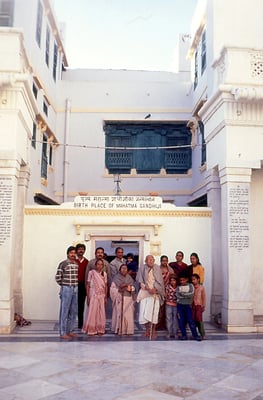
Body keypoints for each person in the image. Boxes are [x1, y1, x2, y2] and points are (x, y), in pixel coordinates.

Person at [136, 255, 165, 340]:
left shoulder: (157, 268)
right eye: (149, 260)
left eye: (152, 259)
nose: (151, 261)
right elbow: (140, 281)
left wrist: (155, 289)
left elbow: (160, 282)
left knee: (154, 312)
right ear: (145, 261)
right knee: (144, 312)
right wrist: (148, 289)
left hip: (155, 292)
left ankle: (154, 331)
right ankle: (147, 330)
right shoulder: (142, 268)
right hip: (145, 291)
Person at [55, 246, 78, 340]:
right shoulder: (63, 264)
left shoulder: (76, 264)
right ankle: (63, 332)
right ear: (68, 254)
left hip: (75, 289)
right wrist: (64, 286)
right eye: (71, 253)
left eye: (74, 253)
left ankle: (70, 331)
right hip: (66, 289)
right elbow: (57, 277)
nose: (73, 255)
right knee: (64, 311)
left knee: (73, 311)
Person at [82, 259, 107, 335]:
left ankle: (100, 329)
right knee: (92, 311)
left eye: (101, 264)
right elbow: (88, 285)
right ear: (95, 265)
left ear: (103, 266)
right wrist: (88, 297)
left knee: (101, 312)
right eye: (98, 264)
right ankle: (91, 329)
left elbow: (106, 286)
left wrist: (105, 296)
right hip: (93, 294)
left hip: (101, 294)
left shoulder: (104, 274)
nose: (99, 266)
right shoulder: (91, 273)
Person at [110, 264, 136, 335]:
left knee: (128, 315)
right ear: (119, 270)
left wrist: (128, 288)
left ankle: (128, 330)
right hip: (119, 298)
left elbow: (133, 288)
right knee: (119, 314)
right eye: (122, 268)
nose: (124, 270)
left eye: (125, 268)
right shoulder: (116, 278)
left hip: (128, 299)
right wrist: (118, 290)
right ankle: (118, 329)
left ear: (127, 270)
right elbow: (112, 289)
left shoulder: (129, 278)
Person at [176, 272, 201, 341]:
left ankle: (195, 335)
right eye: (181, 280)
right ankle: (184, 335)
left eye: (183, 280)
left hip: (188, 306)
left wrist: (183, 295)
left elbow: (191, 294)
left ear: (187, 279)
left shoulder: (190, 286)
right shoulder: (178, 287)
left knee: (190, 320)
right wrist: (185, 296)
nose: (182, 282)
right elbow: (177, 295)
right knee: (181, 321)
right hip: (180, 306)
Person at [157, 255, 173, 330]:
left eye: (166, 260)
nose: (164, 262)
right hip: (159, 291)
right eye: (163, 260)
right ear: (161, 261)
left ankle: (166, 325)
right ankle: (158, 324)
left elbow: (173, 279)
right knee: (159, 308)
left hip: (167, 291)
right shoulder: (157, 269)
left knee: (166, 309)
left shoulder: (170, 270)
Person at [75, 243, 89, 329]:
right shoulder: (73, 260)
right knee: (72, 304)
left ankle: (80, 324)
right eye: (79, 249)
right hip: (73, 284)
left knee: (81, 305)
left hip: (82, 285)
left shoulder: (87, 261)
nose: (81, 250)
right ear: (76, 250)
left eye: (82, 249)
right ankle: (69, 323)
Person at [192, 273, 206, 339]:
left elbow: (203, 297)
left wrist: (203, 306)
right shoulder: (191, 287)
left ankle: (202, 334)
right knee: (193, 320)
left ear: (198, 279)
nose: (193, 281)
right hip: (192, 306)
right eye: (192, 279)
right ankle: (194, 334)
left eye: (194, 279)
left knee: (199, 320)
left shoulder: (201, 287)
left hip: (199, 306)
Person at [165, 274, 179, 339]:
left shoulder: (178, 287)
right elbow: (166, 295)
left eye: (174, 280)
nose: (172, 282)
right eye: (171, 280)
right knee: (168, 318)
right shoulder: (167, 287)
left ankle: (175, 332)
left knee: (175, 319)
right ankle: (169, 332)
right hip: (168, 304)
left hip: (176, 305)